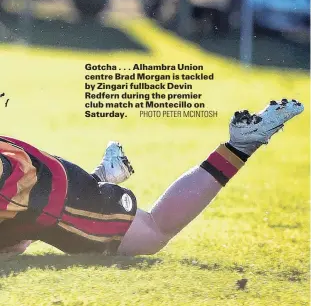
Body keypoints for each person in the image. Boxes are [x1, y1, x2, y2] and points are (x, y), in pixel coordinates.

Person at [0, 98, 304, 257]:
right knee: (12, 250)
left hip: (39, 193)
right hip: (23, 180)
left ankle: (241, 144)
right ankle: (103, 177)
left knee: (153, 234)